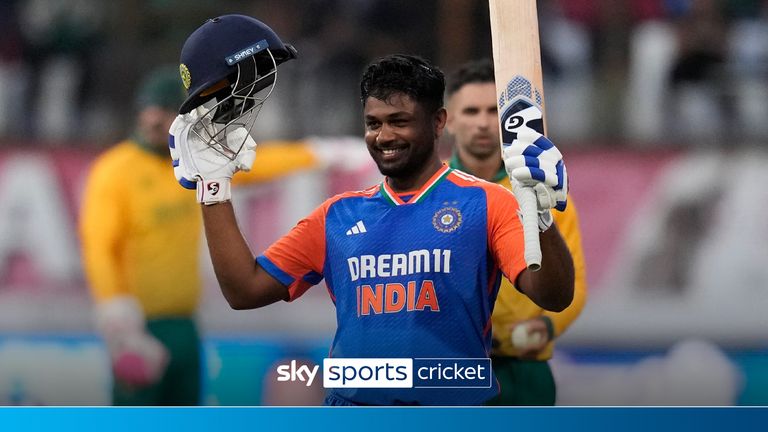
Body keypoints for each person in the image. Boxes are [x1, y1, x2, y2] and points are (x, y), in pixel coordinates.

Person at [169, 14, 574, 406]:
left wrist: (540, 217)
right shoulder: (336, 216)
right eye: (373, 123)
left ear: (438, 122)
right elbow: (244, 291)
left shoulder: (488, 202)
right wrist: (214, 191)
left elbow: (554, 295)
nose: (384, 136)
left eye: (399, 121)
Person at [79, 65, 319, 405]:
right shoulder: (115, 170)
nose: (152, 120)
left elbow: (254, 164)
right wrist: (118, 318)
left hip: (184, 323)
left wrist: (316, 155)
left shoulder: (189, 163)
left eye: (163, 111)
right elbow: (99, 246)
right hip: (138, 326)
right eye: (148, 109)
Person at [444, 58, 587, 406]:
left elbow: (575, 284)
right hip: (450, 367)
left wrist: (549, 328)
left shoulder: (545, 193)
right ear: (447, 120)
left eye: (494, 111)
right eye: (471, 111)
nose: (483, 123)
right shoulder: (430, 191)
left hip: (525, 370)